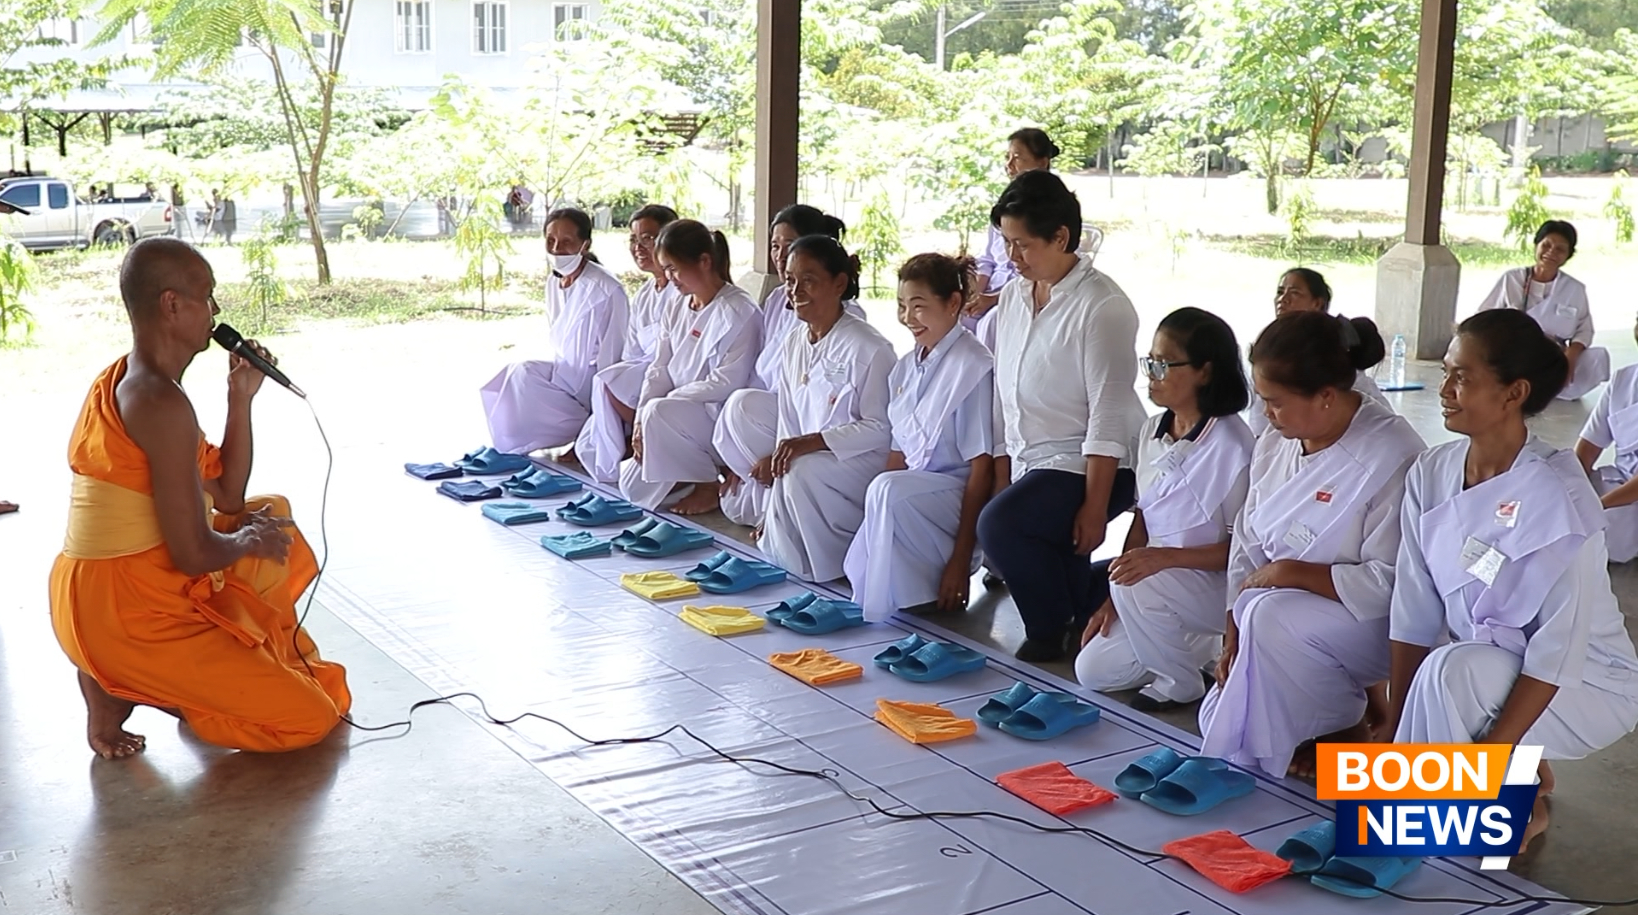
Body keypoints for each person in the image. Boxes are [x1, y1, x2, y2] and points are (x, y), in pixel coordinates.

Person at [49, 238, 351, 759]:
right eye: (207, 296)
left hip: (97, 594)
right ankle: (140, 687)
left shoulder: (131, 377)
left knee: (267, 510)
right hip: (124, 616)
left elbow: (228, 492)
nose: (215, 312)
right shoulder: (157, 401)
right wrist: (248, 540)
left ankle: (125, 682)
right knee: (310, 716)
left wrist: (241, 395)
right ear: (171, 304)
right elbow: (193, 553)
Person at [1386, 309, 1638, 852]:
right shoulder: (1431, 473)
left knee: (1451, 671)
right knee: (1444, 673)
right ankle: (1483, 808)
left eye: (1463, 377)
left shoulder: (1561, 494)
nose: (1445, 389)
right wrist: (1392, 733)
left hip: (1588, 683)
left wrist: (1491, 756)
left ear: (1513, 392)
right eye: (1446, 373)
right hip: (1495, 666)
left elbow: (1556, 653)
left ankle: (1414, 830)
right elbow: (1413, 607)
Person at [1197, 311, 1425, 778]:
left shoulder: (1393, 451)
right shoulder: (1277, 439)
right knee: (1217, 711)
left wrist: (1290, 574)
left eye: (1275, 402)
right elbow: (1247, 539)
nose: (1266, 414)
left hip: (1372, 628)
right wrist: (1230, 627)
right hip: (1273, 614)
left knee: (1269, 618)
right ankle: (1332, 734)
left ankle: (1294, 749)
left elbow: (1391, 583)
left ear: (1325, 396)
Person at [977, 169, 1148, 662]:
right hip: (1039, 460)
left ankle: (1050, 629)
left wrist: (1095, 507)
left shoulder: (1103, 305)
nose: (1012, 258)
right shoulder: (1012, 297)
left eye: (1023, 245)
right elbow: (1004, 392)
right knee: (1048, 543)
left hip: (1096, 461)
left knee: (1001, 527)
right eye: (1006, 244)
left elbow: (1109, 412)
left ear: (1061, 237)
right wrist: (1006, 471)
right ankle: (1090, 606)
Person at [1076, 308, 1255, 711]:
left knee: (1136, 581)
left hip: (1213, 589)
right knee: (1094, 671)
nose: (1151, 374)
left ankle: (1181, 681)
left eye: (1163, 364)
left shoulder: (1234, 446)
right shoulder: (1151, 431)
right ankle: (1191, 648)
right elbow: (1143, 518)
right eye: (1150, 362)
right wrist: (1114, 598)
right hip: (1155, 584)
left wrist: (1159, 561)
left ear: (1204, 372)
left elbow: (1241, 554)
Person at [843, 253, 995, 621]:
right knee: (882, 489)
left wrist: (962, 559)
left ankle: (933, 581)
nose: (907, 317)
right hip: (918, 491)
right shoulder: (906, 369)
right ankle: (906, 594)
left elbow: (981, 468)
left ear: (953, 303)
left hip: (956, 498)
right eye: (901, 306)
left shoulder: (973, 366)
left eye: (919, 306)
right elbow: (898, 454)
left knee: (889, 491)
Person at [756, 235, 896, 582]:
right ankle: (791, 554)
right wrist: (771, 507)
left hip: (862, 460)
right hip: (815, 456)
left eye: (808, 280)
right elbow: (788, 422)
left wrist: (811, 442)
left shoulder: (870, 347)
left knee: (802, 468)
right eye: (790, 280)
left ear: (839, 284)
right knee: (789, 465)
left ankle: (831, 567)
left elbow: (881, 428)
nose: (795, 290)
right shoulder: (794, 342)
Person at [714, 205, 861, 526]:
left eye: (789, 245)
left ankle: (783, 498)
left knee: (743, 408)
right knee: (737, 505)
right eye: (775, 246)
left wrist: (786, 449)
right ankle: (771, 492)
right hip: (778, 420)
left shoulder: (850, 321)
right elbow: (760, 373)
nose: (780, 256)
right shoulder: (778, 299)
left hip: (819, 431)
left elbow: (828, 405)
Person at [618, 220, 759, 513]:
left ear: (705, 261)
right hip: (674, 411)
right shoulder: (677, 306)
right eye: (665, 269)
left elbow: (726, 382)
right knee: (631, 487)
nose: (670, 278)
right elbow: (660, 366)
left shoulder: (739, 310)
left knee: (660, 411)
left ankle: (707, 482)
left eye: (674, 268)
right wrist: (642, 418)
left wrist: (666, 403)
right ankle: (685, 474)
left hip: (718, 415)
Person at [480, 208, 630, 456]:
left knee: (535, 391)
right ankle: (512, 446)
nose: (557, 249)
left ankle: (589, 431)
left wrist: (605, 409)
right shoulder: (554, 282)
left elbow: (613, 355)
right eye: (551, 241)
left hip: (594, 381)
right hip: (566, 370)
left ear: (585, 244)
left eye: (567, 242)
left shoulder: (607, 289)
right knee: (519, 373)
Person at [575, 204, 683, 482]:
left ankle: (649, 440)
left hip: (675, 371)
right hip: (645, 369)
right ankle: (632, 440)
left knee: (609, 381)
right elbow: (632, 350)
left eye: (648, 238)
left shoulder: (683, 288)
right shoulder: (646, 293)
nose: (639, 246)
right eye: (634, 239)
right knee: (589, 439)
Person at [1247, 267, 1389, 437]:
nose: (1283, 299)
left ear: (1317, 303)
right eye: (1280, 292)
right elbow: (1260, 428)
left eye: (1295, 293)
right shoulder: (1269, 348)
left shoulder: (1333, 355)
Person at [1475, 219, 1608, 401]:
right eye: (1546, 245)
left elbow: (1584, 330)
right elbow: (1484, 317)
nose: (1551, 252)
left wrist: (1571, 356)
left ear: (1568, 255)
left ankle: (1553, 388)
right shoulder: (1512, 279)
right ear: (1536, 245)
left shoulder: (1574, 289)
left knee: (1598, 358)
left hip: (1556, 358)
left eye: (1560, 249)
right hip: (1516, 355)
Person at [967, 128, 1060, 348]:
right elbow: (988, 259)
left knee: (989, 324)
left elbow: (1037, 274)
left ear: (1042, 162)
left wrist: (992, 299)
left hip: (1021, 295)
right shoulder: (1006, 206)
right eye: (1007, 157)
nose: (1009, 165)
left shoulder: (1051, 210)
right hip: (992, 290)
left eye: (1017, 158)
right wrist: (977, 294)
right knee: (956, 317)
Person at [1576, 314, 1638, 563]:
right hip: (1620, 484)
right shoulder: (1624, 380)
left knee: (1591, 531)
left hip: (1627, 495)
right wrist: (1570, 490)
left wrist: (1595, 508)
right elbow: (1586, 450)